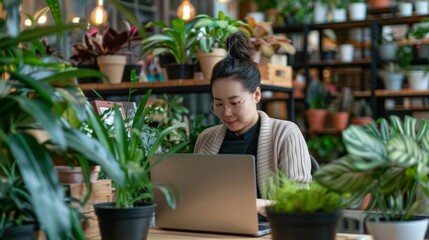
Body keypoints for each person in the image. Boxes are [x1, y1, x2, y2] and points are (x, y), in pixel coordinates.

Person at [194, 31, 312, 200]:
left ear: (256, 95)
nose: (226, 113)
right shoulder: (205, 139)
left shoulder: (286, 134)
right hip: (215, 225)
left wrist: (255, 206)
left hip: (271, 226)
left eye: (235, 103)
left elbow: (300, 202)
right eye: (218, 104)